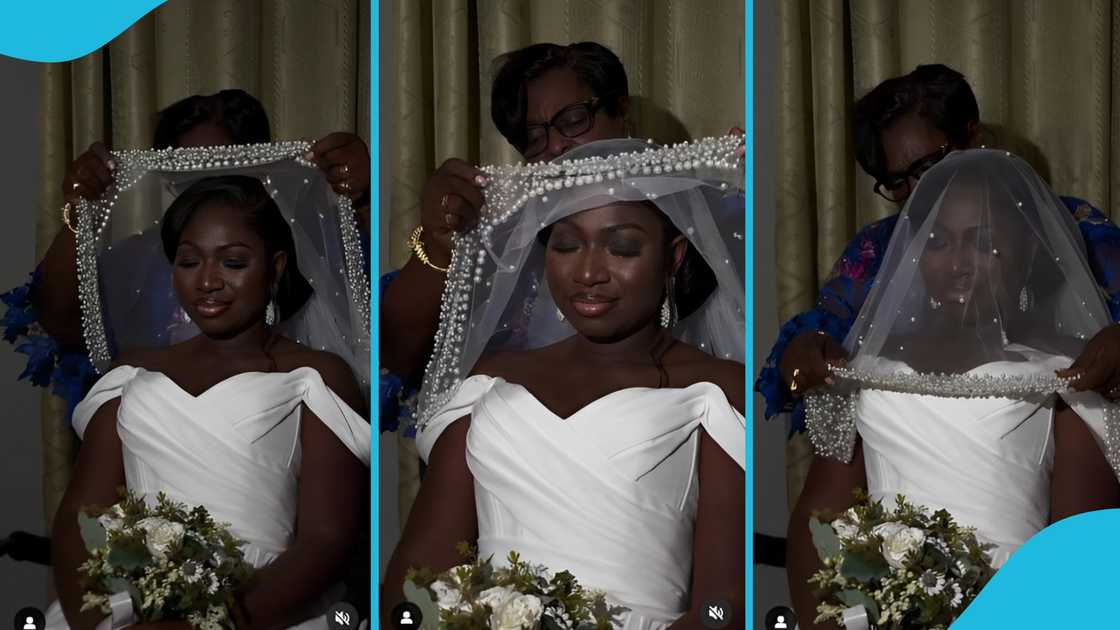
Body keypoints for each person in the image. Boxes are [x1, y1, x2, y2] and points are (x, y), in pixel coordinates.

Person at [382, 136, 746, 629]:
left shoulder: (715, 391)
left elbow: (723, 606)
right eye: (567, 245)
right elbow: (419, 576)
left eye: (622, 248)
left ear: (674, 257)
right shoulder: (488, 383)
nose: (588, 272)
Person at [755, 64, 1120, 502]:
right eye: (899, 181)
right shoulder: (878, 246)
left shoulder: (1068, 227)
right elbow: (826, 333)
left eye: (929, 165)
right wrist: (807, 347)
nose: (921, 188)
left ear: (973, 137)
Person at [786, 150, 1120, 629]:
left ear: (1026, 253)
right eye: (938, 242)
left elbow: (1078, 550)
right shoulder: (867, 369)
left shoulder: (1067, 373)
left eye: (983, 244)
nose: (958, 264)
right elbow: (818, 517)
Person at [46, 172, 370, 630]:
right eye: (189, 261)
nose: (207, 281)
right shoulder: (131, 374)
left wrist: (206, 624)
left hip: (265, 610)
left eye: (233, 262)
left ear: (276, 267)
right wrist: (97, 619)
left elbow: (327, 540)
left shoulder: (315, 377)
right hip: (129, 610)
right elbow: (80, 517)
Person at [1, 89, 370, 419]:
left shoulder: (305, 250)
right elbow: (61, 321)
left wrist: (361, 197)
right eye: (186, 177)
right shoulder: (138, 260)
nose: (208, 281)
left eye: (234, 262)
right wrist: (81, 212)